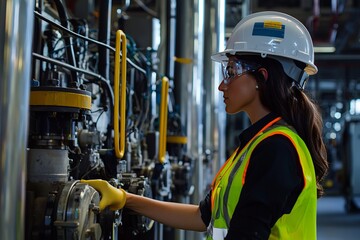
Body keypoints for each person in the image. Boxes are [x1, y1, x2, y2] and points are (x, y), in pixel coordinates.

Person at [81, 11, 329, 240]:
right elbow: (203, 216)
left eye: (230, 71)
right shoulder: (259, 142)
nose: (222, 85)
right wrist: (125, 199)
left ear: (261, 78)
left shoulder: (277, 149)